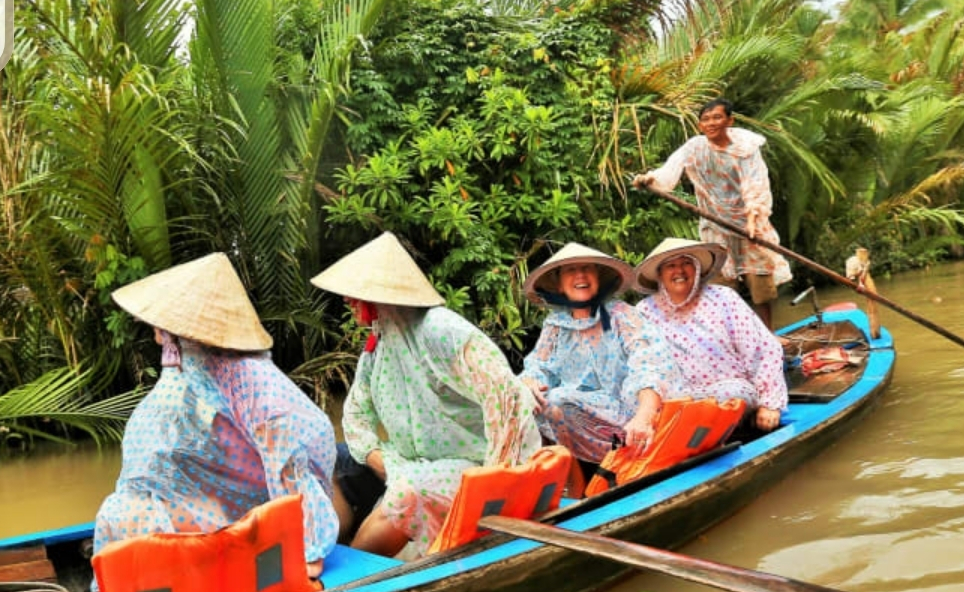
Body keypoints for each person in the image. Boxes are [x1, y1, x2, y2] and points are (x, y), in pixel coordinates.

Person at [93, 253, 339, 577]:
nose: (153, 329)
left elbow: (287, 459)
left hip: (251, 505)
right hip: (211, 498)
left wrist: (306, 547)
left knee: (126, 520)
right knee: (118, 518)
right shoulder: (187, 368)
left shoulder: (247, 376)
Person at [311, 232, 542, 557]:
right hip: (414, 460)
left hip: (479, 462)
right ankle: (330, 556)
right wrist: (382, 461)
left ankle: (350, 588)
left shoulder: (440, 327)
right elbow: (355, 415)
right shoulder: (377, 347)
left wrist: (493, 477)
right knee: (327, 459)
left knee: (409, 491)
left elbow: (504, 394)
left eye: (355, 294)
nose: (348, 301)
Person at [632, 98, 792, 328]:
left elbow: (754, 184)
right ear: (699, 125)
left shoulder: (745, 148)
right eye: (705, 119)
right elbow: (670, 170)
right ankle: (731, 336)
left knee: (760, 285)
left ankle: (769, 334)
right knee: (722, 284)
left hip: (749, 224)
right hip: (715, 222)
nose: (711, 123)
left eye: (717, 117)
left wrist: (752, 221)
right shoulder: (695, 147)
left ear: (729, 120)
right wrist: (650, 179)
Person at [519, 242, 680, 465]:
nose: (580, 276)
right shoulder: (555, 325)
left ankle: (631, 453)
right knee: (534, 398)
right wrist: (528, 382)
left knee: (558, 399)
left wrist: (644, 416)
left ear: (598, 277)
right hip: (596, 427)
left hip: (636, 413)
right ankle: (577, 478)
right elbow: (539, 367)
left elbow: (649, 363)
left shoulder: (621, 315)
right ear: (559, 285)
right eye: (571, 270)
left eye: (587, 269)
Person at [635, 238, 787, 432]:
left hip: (728, 393)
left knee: (736, 394)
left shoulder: (723, 298)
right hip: (676, 401)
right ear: (660, 275)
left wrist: (769, 404)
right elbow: (641, 367)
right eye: (671, 266)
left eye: (686, 263)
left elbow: (764, 349)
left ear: (697, 268)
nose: (679, 271)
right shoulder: (645, 311)